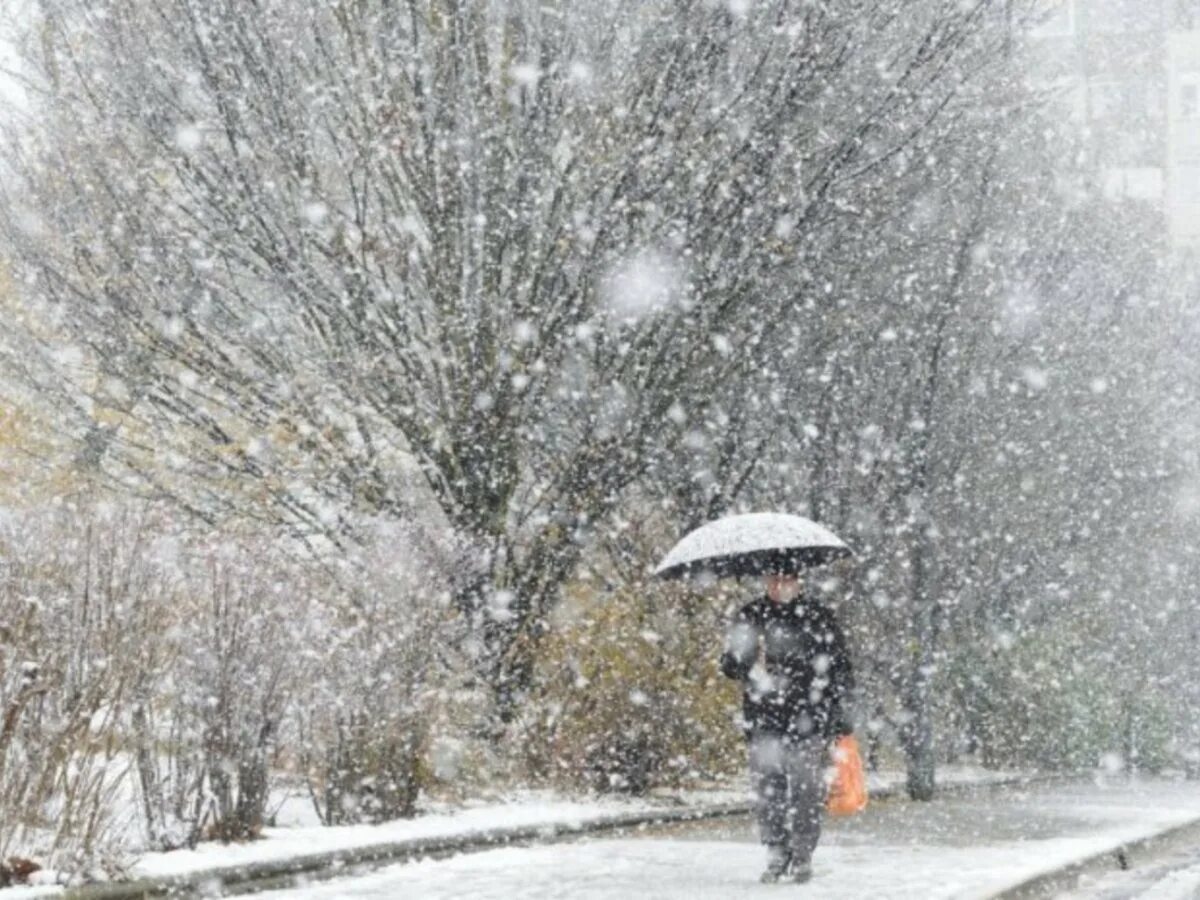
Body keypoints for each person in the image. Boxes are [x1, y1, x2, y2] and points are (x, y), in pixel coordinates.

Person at [720, 572, 854, 884]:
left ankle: (803, 851)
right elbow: (730, 666)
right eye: (774, 580)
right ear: (766, 581)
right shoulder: (751, 615)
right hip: (764, 718)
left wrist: (838, 713)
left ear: (799, 581)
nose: (780, 586)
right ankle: (776, 850)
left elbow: (841, 668)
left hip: (809, 717)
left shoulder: (818, 616)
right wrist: (745, 658)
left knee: (807, 787)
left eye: (787, 579)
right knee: (769, 789)